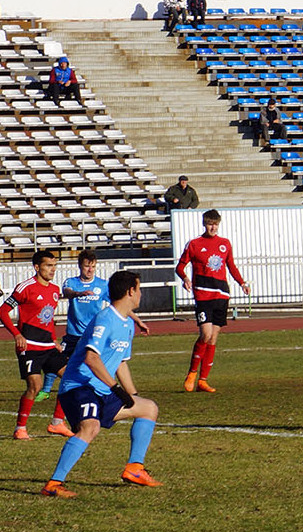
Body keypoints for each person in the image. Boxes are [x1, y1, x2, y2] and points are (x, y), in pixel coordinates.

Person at [41, 270, 162, 497]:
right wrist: (116, 388)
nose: (141, 294)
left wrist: (132, 394)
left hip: (101, 388)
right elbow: (91, 358)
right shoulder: (106, 319)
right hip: (78, 386)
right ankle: (53, 484)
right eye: (139, 289)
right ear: (130, 291)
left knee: (148, 408)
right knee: (90, 427)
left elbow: (120, 363)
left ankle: (135, 469)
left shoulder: (127, 324)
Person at [176, 210, 250, 393]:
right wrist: (185, 278)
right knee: (206, 334)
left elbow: (231, 265)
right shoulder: (194, 244)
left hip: (221, 294)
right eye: (210, 224)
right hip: (203, 294)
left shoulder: (225, 244)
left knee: (214, 338)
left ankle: (203, 380)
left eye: (216, 224)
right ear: (204, 224)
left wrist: (242, 283)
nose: (213, 227)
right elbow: (180, 266)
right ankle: (192, 373)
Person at [4, 250, 72, 440]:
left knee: (71, 378)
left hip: (47, 346)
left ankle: (57, 422)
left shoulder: (54, 290)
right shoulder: (25, 287)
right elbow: (2, 311)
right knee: (35, 385)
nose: (53, 269)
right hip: (30, 346)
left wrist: (54, 340)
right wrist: (17, 335)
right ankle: (20, 428)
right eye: (48, 265)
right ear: (37, 267)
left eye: (54, 265)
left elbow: (47, 319)